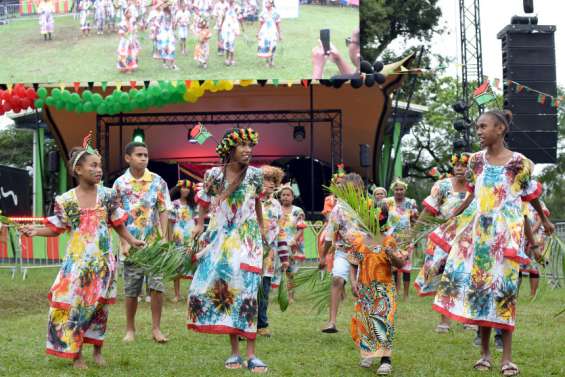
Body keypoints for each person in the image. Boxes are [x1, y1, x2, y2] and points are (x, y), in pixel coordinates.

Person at [432, 110, 554, 376]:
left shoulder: (520, 163)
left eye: (483, 126)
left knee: (505, 294)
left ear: (500, 129)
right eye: (477, 127)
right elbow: (474, 195)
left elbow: (528, 195)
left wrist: (543, 222)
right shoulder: (475, 161)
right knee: (481, 292)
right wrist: (456, 214)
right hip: (480, 238)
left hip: (507, 238)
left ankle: (507, 359)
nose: (478, 131)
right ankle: (485, 354)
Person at [20, 138, 144, 369]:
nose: (99, 170)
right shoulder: (65, 200)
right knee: (74, 304)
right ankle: (76, 354)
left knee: (99, 307)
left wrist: (132, 240)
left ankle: (97, 351)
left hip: (104, 263)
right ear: (78, 170)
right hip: (76, 264)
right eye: (93, 166)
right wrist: (35, 230)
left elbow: (118, 223)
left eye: (99, 165)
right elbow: (56, 228)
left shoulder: (107, 196)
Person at [187, 128, 268, 373]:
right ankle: (234, 352)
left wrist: (262, 229)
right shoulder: (214, 175)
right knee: (228, 292)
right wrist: (200, 225)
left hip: (249, 242)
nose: (247, 150)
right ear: (229, 149)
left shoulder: (255, 175)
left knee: (250, 293)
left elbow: (256, 204)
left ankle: (252, 354)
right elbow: (202, 201)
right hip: (223, 241)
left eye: (249, 145)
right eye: (242, 145)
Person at [320, 173, 406, 375]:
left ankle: (386, 359)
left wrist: (392, 254)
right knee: (367, 320)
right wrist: (353, 281)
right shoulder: (359, 240)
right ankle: (368, 353)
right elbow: (353, 262)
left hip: (384, 289)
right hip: (365, 286)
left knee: (384, 320)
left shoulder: (387, 240)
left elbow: (400, 262)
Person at [113, 141, 172, 343]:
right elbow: (116, 216)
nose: (144, 158)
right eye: (139, 155)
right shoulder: (120, 184)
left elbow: (163, 209)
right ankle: (130, 330)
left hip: (154, 244)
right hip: (131, 245)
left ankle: (156, 329)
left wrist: (164, 237)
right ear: (128, 158)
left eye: (146, 155)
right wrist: (124, 242)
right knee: (131, 289)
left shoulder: (158, 181)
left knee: (157, 286)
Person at [413, 153, 469, 333]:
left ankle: (467, 318)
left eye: (465, 165)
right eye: (457, 165)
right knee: (443, 276)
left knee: (465, 276)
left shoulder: (478, 188)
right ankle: (444, 320)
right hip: (444, 238)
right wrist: (412, 236)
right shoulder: (443, 186)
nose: (460, 168)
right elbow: (427, 212)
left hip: (469, 239)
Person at [257, 165, 289, 337]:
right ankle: (243, 325)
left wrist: (284, 257)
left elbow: (280, 231)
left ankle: (262, 324)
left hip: (268, 256)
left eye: (272, 180)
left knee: (264, 291)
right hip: (249, 252)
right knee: (247, 289)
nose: (269, 184)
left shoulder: (276, 205)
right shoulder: (249, 200)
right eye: (265, 179)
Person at [382, 180, 418, 301]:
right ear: (393, 190)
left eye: (401, 189)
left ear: (405, 190)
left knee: (406, 266)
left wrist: (414, 236)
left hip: (406, 238)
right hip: (391, 238)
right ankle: (395, 292)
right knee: (393, 265)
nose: (399, 191)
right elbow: (381, 217)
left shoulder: (410, 202)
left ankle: (406, 295)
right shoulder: (387, 202)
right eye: (397, 189)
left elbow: (415, 220)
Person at [168, 179, 198, 302]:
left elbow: (197, 222)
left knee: (192, 265)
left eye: (188, 188)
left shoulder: (194, 205)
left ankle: (192, 293)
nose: (185, 190)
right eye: (183, 188)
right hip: (177, 238)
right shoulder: (174, 204)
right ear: (179, 189)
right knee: (177, 266)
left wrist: (196, 237)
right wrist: (169, 238)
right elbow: (170, 222)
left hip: (190, 237)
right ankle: (177, 294)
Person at [277, 183, 306, 304]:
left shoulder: (297, 211)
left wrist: (294, 239)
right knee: (276, 271)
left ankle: (290, 296)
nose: (285, 197)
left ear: (293, 197)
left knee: (290, 272)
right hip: (278, 244)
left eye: (288, 195)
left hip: (292, 245)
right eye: (283, 195)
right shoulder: (276, 209)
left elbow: (301, 227)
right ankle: (278, 295)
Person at [256, 0, 281, 68]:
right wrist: (258, 32)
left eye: (267, 2)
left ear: (271, 4)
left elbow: (278, 24)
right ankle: (267, 61)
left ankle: (272, 61)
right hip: (265, 32)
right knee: (266, 45)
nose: (266, 4)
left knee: (273, 46)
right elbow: (261, 24)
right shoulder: (263, 13)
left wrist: (280, 34)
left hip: (273, 31)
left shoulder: (276, 13)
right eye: (265, 2)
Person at [154, 1, 178, 70]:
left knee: (172, 48)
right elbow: (156, 23)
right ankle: (164, 64)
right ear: (166, 6)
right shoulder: (161, 14)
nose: (171, 7)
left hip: (170, 34)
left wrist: (175, 25)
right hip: (163, 34)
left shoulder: (171, 14)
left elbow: (173, 26)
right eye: (169, 5)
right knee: (164, 49)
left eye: (171, 5)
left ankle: (173, 65)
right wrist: (156, 33)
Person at [117, 6, 140, 73]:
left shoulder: (132, 22)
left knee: (131, 54)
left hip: (131, 41)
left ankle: (130, 68)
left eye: (130, 13)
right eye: (128, 13)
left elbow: (135, 30)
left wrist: (134, 38)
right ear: (125, 14)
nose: (130, 14)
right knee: (124, 54)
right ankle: (124, 67)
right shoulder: (122, 23)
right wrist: (126, 35)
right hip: (124, 42)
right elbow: (121, 33)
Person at [220, 0, 243, 66]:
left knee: (231, 42)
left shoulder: (237, 7)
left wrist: (241, 27)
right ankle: (227, 59)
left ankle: (232, 59)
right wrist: (221, 26)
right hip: (226, 27)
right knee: (226, 42)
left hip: (233, 27)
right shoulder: (225, 7)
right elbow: (223, 17)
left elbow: (240, 18)